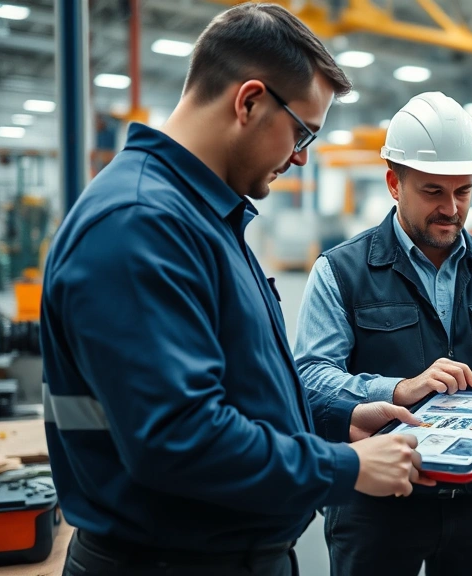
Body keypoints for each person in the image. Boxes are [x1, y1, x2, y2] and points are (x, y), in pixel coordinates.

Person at [40, 5, 428, 575]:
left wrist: (331, 419)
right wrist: (345, 467)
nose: (301, 157)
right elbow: (179, 438)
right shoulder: (139, 224)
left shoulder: (199, 218)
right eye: (302, 132)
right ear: (249, 101)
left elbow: (234, 384)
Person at [294, 91, 472, 576]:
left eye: (463, 191)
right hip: (377, 502)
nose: (451, 208)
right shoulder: (340, 271)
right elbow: (309, 377)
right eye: (433, 191)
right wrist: (397, 389)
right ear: (395, 183)